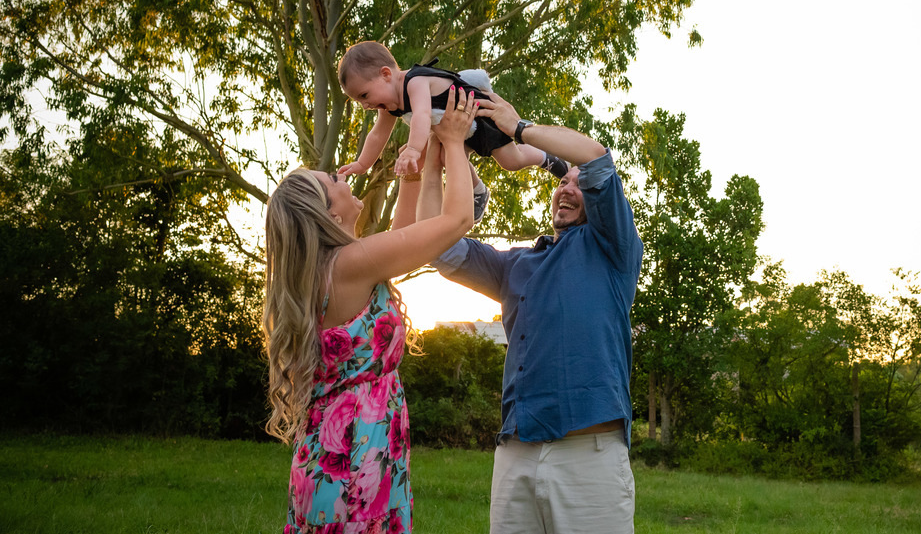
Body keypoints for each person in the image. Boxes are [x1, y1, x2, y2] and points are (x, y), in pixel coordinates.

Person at [419, 88, 643, 534]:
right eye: (563, 182)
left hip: (589, 457)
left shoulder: (613, 252)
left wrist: (518, 128)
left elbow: (597, 158)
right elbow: (436, 245)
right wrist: (439, 154)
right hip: (514, 455)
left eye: (579, 185)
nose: (568, 189)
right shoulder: (517, 264)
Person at [262, 87, 479, 533]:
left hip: (339, 459)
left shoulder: (335, 268)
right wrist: (454, 141)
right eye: (333, 183)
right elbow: (457, 220)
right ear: (327, 214)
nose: (344, 179)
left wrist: (414, 172)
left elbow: (405, 234)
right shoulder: (348, 265)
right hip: (355, 464)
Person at [336, 41, 568, 181]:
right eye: (359, 101)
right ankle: (478, 191)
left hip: (479, 113)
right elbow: (377, 135)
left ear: (386, 74)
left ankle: (544, 157)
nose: (365, 105)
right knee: (446, 158)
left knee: (510, 160)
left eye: (364, 95)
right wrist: (363, 164)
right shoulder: (389, 105)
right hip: (457, 125)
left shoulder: (414, 82)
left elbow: (422, 116)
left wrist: (414, 149)